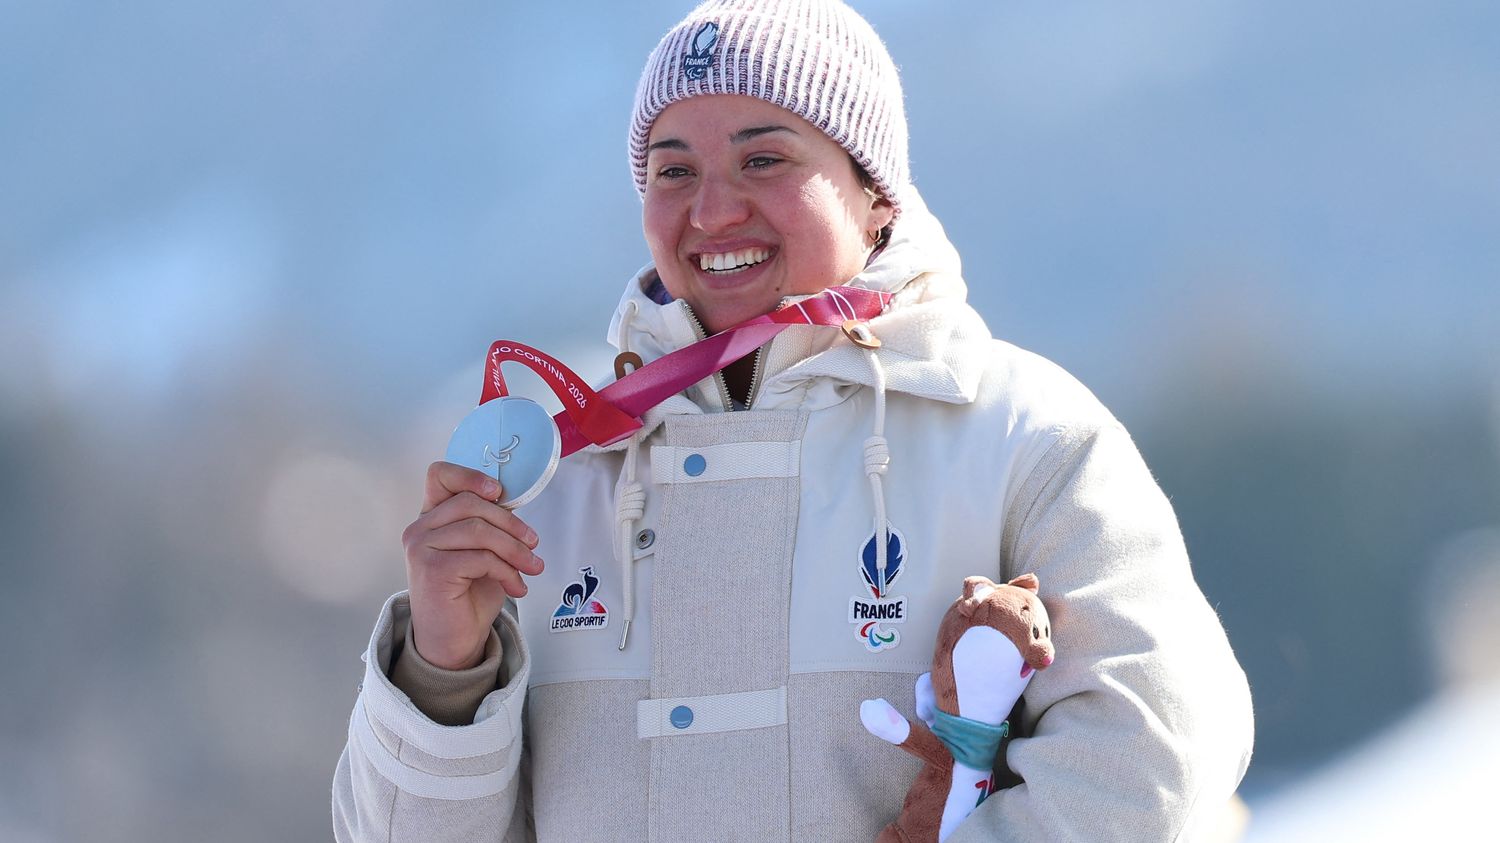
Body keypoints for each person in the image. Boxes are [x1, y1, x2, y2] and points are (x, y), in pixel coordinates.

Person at [333, 1, 1255, 840]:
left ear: (875, 191)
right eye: (673, 169)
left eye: (763, 159)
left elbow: (1155, 751)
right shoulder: (557, 479)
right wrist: (443, 669)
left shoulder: (1021, 437)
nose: (712, 208)